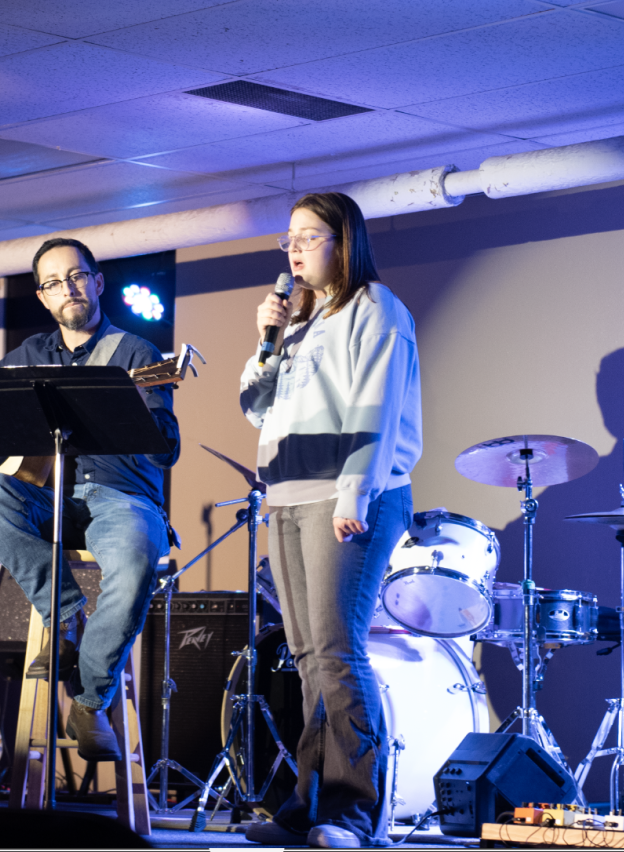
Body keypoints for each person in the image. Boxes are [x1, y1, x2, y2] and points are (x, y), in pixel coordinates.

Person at [0, 237, 180, 761]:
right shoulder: (30, 354)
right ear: (43, 297)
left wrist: (139, 410)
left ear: (97, 283)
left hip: (121, 497)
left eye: (76, 276)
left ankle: (90, 699)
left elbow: (168, 451)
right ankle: (66, 614)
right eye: (54, 282)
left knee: (139, 560)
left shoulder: (137, 354)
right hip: (49, 498)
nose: (68, 288)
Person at [239, 192, 421, 848]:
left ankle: (352, 811)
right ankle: (305, 805)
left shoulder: (377, 310)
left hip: (349, 495)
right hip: (287, 497)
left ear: (343, 243)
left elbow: (375, 404)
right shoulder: (299, 321)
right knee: (307, 654)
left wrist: (355, 493)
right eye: (288, 237)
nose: (293, 248)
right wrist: (268, 338)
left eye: (309, 236)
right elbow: (255, 407)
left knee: (338, 652)